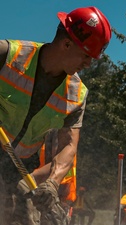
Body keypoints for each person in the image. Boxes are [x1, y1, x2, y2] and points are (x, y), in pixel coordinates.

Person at [0, 6, 111, 225]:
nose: (88, 64)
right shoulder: (8, 54)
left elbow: (69, 146)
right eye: (86, 55)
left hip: (20, 166)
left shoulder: (77, 94)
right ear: (66, 44)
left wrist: (52, 181)